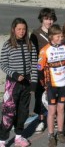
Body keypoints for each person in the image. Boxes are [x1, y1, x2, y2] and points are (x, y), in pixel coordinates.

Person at [0, 18, 38, 147]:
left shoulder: (30, 45)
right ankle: (2, 139)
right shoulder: (8, 44)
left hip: (26, 83)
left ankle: (18, 137)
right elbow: (2, 63)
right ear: (13, 30)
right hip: (13, 83)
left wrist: (33, 82)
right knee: (9, 111)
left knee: (23, 111)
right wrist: (14, 74)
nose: (21, 32)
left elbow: (34, 64)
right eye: (19, 29)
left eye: (24, 29)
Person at [38, 24, 65, 147]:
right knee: (52, 110)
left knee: (61, 109)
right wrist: (44, 84)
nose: (60, 38)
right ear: (51, 36)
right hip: (51, 85)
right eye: (57, 36)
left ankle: (60, 132)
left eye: (61, 36)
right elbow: (39, 69)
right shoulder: (45, 50)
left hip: (64, 83)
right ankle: (51, 135)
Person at [30, 8, 57, 134]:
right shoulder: (35, 34)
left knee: (53, 95)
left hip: (54, 70)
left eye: (51, 19)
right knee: (40, 96)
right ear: (42, 19)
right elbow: (33, 54)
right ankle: (41, 120)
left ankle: (55, 118)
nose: (49, 21)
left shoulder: (56, 32)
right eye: (46, 19)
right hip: (41, 71)